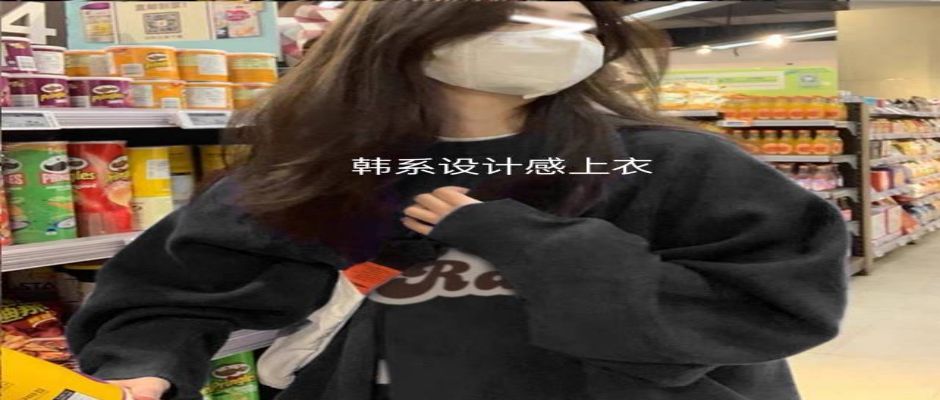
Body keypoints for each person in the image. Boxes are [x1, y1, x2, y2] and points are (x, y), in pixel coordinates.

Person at [66, 2, 849, 400]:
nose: (556, 35)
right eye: (521, 15)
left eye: (577, 20)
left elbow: (779, 299)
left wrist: (527, 242)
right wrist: (146, 366)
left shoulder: (665, 162)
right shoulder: (340, 169)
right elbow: (177, 286)